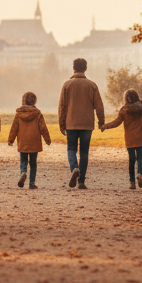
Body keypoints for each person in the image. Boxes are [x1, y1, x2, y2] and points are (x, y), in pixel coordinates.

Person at [101, 88, 142, 189]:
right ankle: (139, 174)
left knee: (131, 160)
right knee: (140, 158)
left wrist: (105, 126)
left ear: (126, 98)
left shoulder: (124, 110)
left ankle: (132, 183)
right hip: (140, 137)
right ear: (137, 97)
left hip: (130, 139)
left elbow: (116, 122)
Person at [57, 57, 105, 189]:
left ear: (73, 68)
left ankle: (74, 168)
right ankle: (82, 181)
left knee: (71, 149)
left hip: (71, 123)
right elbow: (99, 106)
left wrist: (62, 124)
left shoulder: (67, 85)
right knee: (84, 152)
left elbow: (62, 107)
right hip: (87, 124)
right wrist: (101, 121)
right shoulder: (92, 85)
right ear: (85, 68)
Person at [7, 91, 51, 189]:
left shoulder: (19, 114)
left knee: (23, 160)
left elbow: (14, 127)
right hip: (34, 141)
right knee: (33, 162)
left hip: (23, 141)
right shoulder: (38, 113)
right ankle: (31, 183)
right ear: (34, 101)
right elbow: (43, 127)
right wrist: (47, 139)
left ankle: (23, 172)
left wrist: (11, 140)